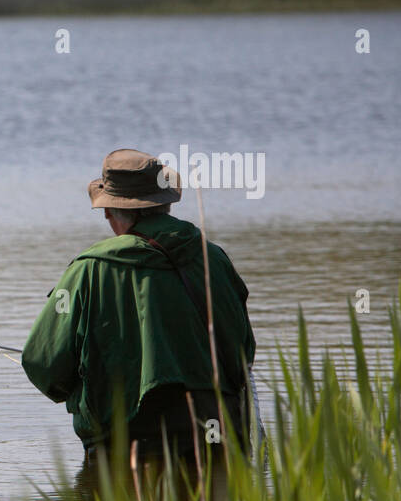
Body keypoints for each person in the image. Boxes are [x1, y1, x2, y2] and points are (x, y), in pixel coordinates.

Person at [22, 148, 256, 466]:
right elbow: (244, 351)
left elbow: (43, 363)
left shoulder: (88, 269)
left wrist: (79, 391)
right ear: (167, 202)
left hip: (124, 445)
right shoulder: (213, 258)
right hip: (215, 435)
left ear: (109, 212)